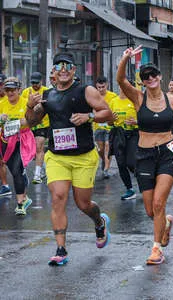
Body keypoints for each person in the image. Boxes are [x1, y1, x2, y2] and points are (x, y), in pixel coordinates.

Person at [25, 52, 113, 265]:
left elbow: (107, 113)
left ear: (74, 70)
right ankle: (61, 249)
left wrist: (88, 116)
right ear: (53, 72)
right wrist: (29, 106)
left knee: (83, 204)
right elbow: (31, 121)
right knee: (58, 198)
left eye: (67, 65)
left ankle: (99, 221)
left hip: (83, 156)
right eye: (58, 66)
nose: (63, 69)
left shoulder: (86, 91)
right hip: (56, 157)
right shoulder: (47, 95)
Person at [117, 47, 173, 265]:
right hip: (144, 154)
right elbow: (121, 79)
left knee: (160, 203)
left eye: (153, 74)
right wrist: (126, 58)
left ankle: (156, 249)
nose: (150, 78)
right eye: (145, 76)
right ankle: (166, 225)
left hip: (168, 153)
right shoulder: (138, 98)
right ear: (142, 81)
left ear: (160, 77)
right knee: (151, 210)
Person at [0, 77, 36, 215]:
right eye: (7, 90)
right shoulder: (2, 103)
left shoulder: (26, 103)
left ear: (19, 90)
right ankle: (24, 195)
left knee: (15, 170)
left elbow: (33, 120)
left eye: (12, 90)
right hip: (6, 141)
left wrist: (25, 121)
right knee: (13, 169)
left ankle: (21, 203)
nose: (10, 93)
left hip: (23, 140)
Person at [109, 79, 139, 200]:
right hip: (118, 134)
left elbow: (145, 118)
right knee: (121, 163)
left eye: (128, 86)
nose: (125, 88)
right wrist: (111, 119)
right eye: (123, 86)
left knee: (131, 163)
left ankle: (145, 182)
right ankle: (129, 189)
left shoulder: (135, 100)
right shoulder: (113, 101)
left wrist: (136, 122)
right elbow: (109, 121)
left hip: (133, 134)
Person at [21, 72, 49, 184]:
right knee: (28, 149)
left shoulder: (46, 91)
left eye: (37, 83)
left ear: (41, 81)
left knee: (39, 146)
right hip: (29, 124)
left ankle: (37, 174)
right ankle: (41, 167)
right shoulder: (25, 92)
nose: (35, 85)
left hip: (43, 124)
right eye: (33, 82)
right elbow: (23, 108)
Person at [94, 76, 118, 178]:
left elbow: (115, 109)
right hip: (98, 126)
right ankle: (104, 160)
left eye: (103, 87)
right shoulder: (93, 96)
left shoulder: (113, 96)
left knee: (108, 146)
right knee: (100, 149)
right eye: (99, 87)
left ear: (107, 85)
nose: (101, 89)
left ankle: (106, 169)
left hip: (109, 126)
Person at [0, 73, 12, 196]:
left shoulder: (10, 97)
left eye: (1, 85)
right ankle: (5, 186)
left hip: (11, 136)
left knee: (8, 162)